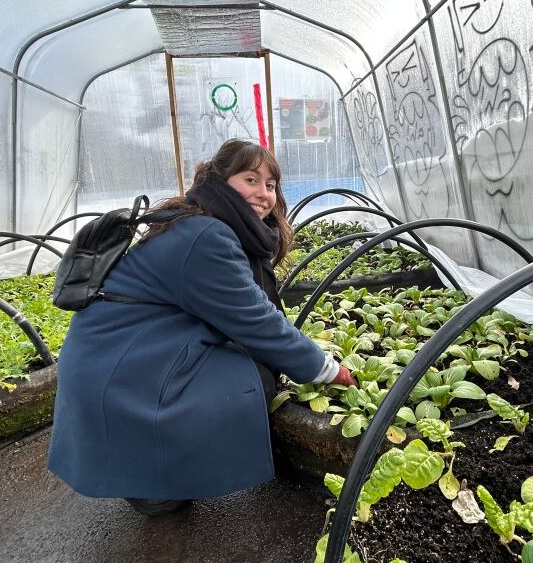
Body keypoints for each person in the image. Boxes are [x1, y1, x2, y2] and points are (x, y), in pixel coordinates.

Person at [47, 139, 356, 515]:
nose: (263, 194)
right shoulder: (207, 236)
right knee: (252, 378)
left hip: (122, 357)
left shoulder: (198, 222)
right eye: (250, 179)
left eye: (271, 185)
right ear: (221, 180)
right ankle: (157, 478)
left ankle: (153, 474)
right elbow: (256, 321)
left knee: (246, 362)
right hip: (119, 370)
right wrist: (327, 368)